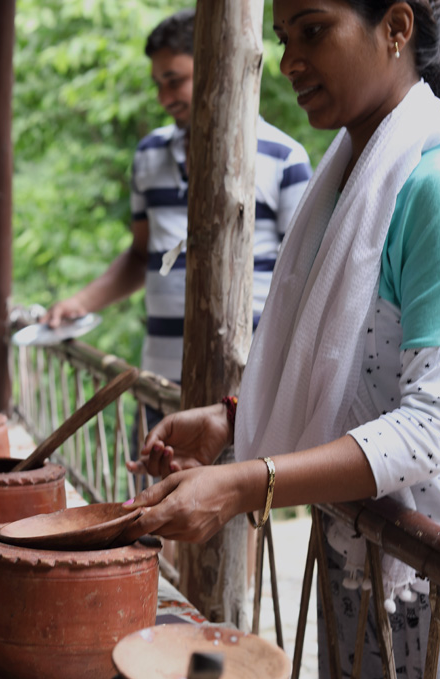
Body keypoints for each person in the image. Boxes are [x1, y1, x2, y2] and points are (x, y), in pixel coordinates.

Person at [123, 0, 440, 679]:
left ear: (396, 27)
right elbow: (359, 375)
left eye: (313, 31)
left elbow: (434, 426)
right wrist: (233, 421)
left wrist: (243, 484)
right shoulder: (347, 183)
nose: (289, 62)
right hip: (371, 569)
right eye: (284, 38)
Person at [43, 8, 313, 407]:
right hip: (160, 386)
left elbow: (304, 280)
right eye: (158, 85)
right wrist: (79, 304)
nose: (164, 98)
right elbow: (142, 255)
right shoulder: (148, 155)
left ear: (213, 66)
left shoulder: (285, 158)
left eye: (175, 81)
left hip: (248, 396)